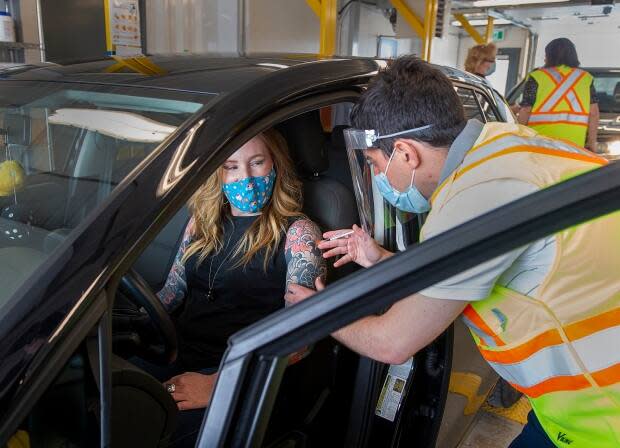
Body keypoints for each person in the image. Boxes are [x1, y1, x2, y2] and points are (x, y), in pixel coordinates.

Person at [286, 56, 620, 448]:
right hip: (576, 394)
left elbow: (392, 342)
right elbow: (455, 277)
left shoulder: (474, 201)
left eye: (376, 165)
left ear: (406, 154)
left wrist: (317, 310)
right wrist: (379, 259)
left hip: (600, 414)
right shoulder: (503, 146)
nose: (378, 178)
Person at [138, 129, 326, 447]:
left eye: (257, 163)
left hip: (247, 375)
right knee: (110, 397)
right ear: (219, 174)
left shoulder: (298, 234)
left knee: (156, 431)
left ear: (276, 166)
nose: (247, 179)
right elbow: (172, 293)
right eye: (232, 166)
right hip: (181, 354)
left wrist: (218, 384)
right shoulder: (202, 223)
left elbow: (300, 337)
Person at [517, 38, 599, 150]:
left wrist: (519, 136)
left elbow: (526, 110)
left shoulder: (537, 76)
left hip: (540, 141)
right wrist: (592, 142)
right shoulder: (585, 78)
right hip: (574, 144)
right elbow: (593, 113)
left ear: (550, 56)